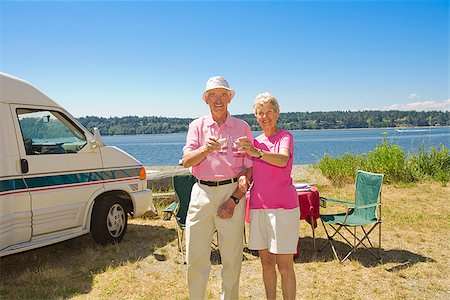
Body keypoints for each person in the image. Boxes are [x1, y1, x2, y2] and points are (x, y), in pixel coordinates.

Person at [181, 76, 253, 300]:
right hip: (201, 193)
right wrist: (205, 149)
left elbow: (249, 168)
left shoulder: (242, 127)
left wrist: (234, 198)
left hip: (230, 194)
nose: (218, 100)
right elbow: (186, 161)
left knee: (231, 259)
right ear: (206, 100)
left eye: (223, 95)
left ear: (229, 99)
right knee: (195, 258)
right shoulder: (197, 126)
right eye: (213, 95)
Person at [237, 92, 299, 300]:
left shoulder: (285, 137)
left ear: (277, 113)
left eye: (269, 112)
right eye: (260, 113)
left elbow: (282, 160)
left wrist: (259, 153)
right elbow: (251, 173)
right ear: (256, 116)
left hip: (283, 209)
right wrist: (244, 178)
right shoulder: (255, 142)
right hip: (259, 208)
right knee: (266, 263)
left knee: (285, 266)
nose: (265, 117)